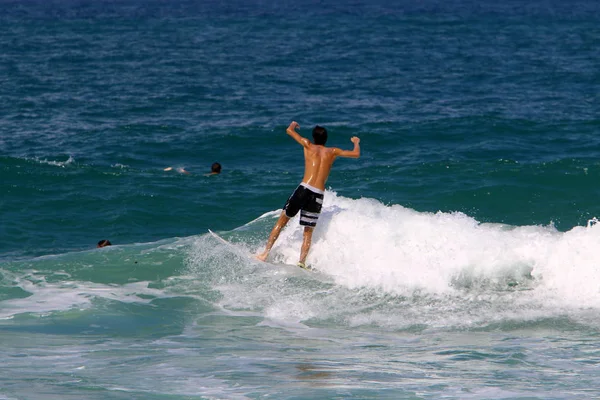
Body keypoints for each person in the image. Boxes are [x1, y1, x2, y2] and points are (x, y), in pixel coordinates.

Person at [256, 121, 360, 269]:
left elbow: (289, 131)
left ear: (313, 137)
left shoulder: (308, 145)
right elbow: (356, 154)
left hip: (304, 189)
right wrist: (356, 142)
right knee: (308, 233)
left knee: (281, 222)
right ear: (326, 139)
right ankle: (301, 263)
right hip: (317, 194)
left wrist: (293, 125)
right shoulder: (332, 152)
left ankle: (265, 254)